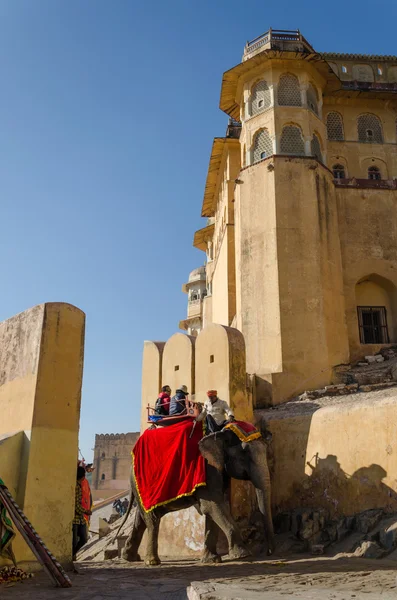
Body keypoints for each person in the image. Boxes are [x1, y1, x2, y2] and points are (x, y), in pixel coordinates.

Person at [73, 466, 92, 560]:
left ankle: (72, 555)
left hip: (80, 518)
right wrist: (86, 511)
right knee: (75, 541)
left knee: (83, 539)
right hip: (75, 518)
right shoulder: (76, 487)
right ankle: (71, 556)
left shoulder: (80, 486)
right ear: (83, 476)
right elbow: (75, 505)